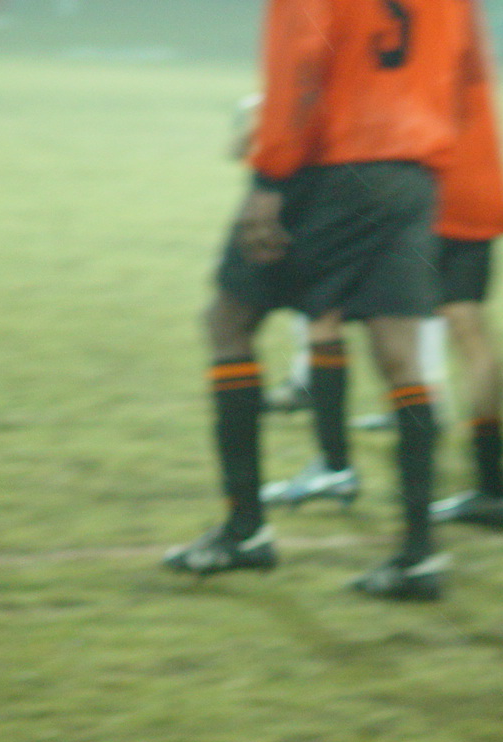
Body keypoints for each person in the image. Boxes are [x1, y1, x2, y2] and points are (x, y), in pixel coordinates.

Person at [164, 0, 479, 600]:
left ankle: (245, 529)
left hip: (332, 167)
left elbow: (299, 65)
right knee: (401, 357)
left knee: (228, 322)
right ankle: (419, 555)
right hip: (411, 172)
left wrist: (267, 180)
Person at [263, 1, 503, 530]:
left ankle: (337, 465)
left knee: (328, 312)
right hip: (474, 171)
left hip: (404, 166)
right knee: (469, 329)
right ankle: (492, 483)